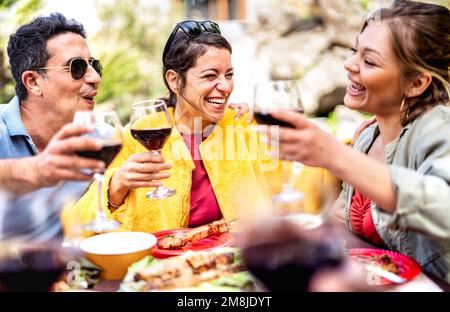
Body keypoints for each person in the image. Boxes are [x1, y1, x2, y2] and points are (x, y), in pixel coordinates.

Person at [263, 0, 450, 283]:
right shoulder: (367, 136)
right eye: (354, 50)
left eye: (369, 60)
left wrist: (336, 155)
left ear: (416, 83)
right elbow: (341, 224)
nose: (349, 64)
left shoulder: (438, 129)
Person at [71, 20, 286, 233]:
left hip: (236, 260)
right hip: (163, 264)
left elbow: (287, 193)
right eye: (210, 75)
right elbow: (81, 225)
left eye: (229, 75)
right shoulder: (138, 136)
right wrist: (116, 185)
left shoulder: (241, 125)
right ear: (174, 80)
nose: (226, 86)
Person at [0, 13, 105, 241]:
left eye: (93, 65)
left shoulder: (101, 138)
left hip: (74, 271)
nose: (95, 77)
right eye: (77, 67)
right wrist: (34, 170)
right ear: (33, 82)